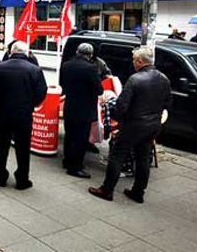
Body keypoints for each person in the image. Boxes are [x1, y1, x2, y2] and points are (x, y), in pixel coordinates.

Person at [89, 47, 171, 203]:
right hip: (152, 125)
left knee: (117, 155)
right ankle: (138, 192)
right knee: (143, 157)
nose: (133, 62)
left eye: (134, 60)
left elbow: (121, 107)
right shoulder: (164, 79)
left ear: (140, 61)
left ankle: (107, 190)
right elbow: (168, 103)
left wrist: (115, 118)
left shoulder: (135, 79)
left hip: (134, 125)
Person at [0, 41, 47, 190]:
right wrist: (30, 104)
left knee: (1, 146)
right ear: (26, 53)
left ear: (11, 52)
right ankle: (22, 179)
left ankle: (0, 176)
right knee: (23, 148)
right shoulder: (35, 70)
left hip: (2, 114)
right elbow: (41, 93)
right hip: (23, 114)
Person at [59, 43, 103, 178]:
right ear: (89, 55)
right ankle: (75, 167)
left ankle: (67, 161)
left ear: (77, 52)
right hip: (84, 109)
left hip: (70, 106)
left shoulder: (66, 65)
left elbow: (62, 83)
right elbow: (99, 90)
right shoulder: (91, 68)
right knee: (81, 139)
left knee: (70, 135)